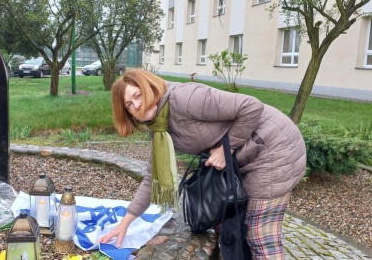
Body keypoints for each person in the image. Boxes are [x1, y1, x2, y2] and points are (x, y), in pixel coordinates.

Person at [98, 69, 307, 259]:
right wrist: (125, 222)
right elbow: (152, 178)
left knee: (260, 234)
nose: (136, 105)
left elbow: (251, 106)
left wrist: (228, 148)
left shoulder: (185, 98)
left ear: (149, 88)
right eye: (129, 105)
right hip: (245, 157)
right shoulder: (159, 127)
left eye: (138, 95)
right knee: (230, 226)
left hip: (273, 148)